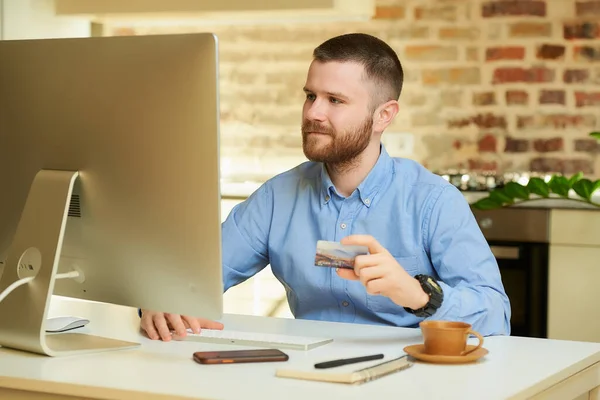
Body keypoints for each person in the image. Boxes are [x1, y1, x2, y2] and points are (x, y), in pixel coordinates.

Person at [140, 33, 511, 341]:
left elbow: (495, 317)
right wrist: (160, 299)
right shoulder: (276, 198)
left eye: (335, 100)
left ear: (384, 115)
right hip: (303, 377)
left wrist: (418, 295)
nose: (313, 112)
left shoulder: (433, 202)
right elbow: (192, 279)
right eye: (310, 96)